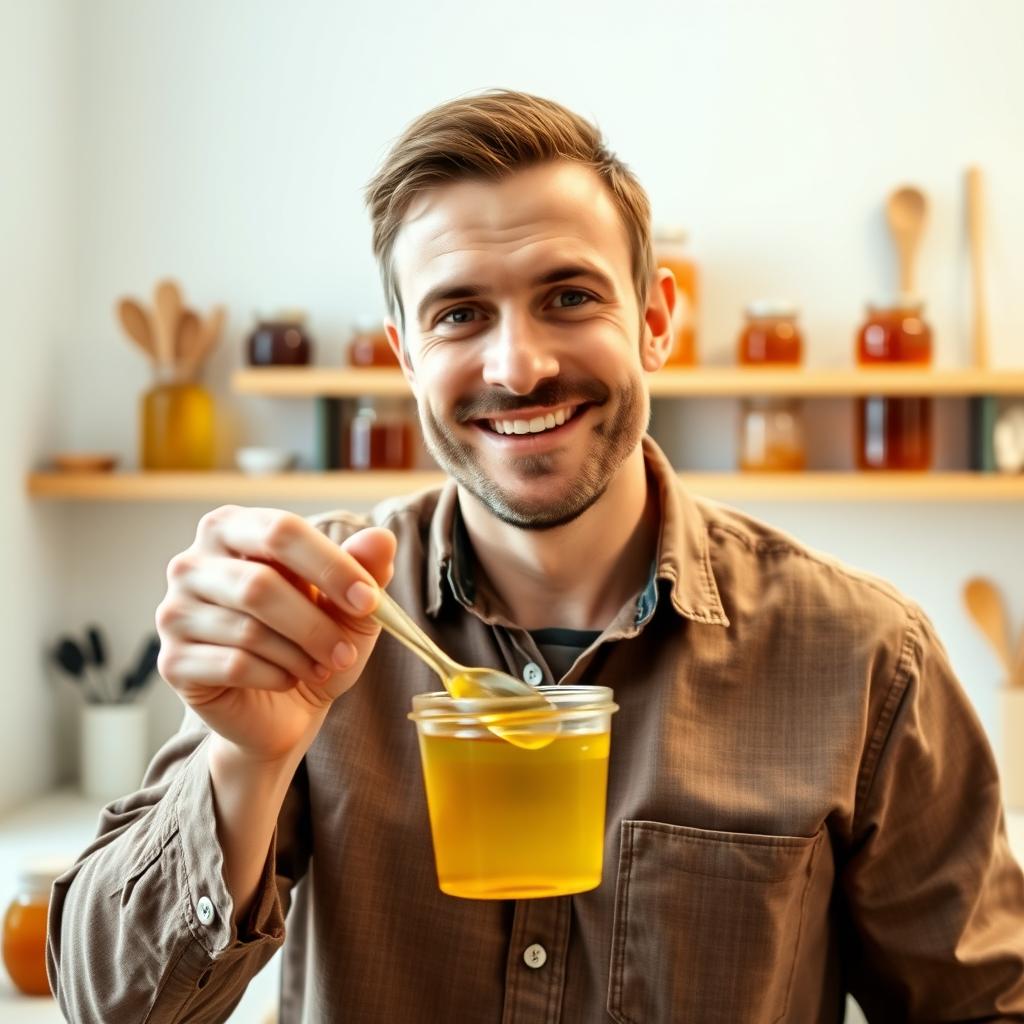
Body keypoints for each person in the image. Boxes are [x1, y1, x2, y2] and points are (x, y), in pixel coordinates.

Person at [47, 89, 1024, 1023]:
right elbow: (114, 1006)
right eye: (458, 314)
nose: (518, 366)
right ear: (404, 355)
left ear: (653, 320)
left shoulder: (863, 658)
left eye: (566, 296)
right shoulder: (313, 611)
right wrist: (245, 761)